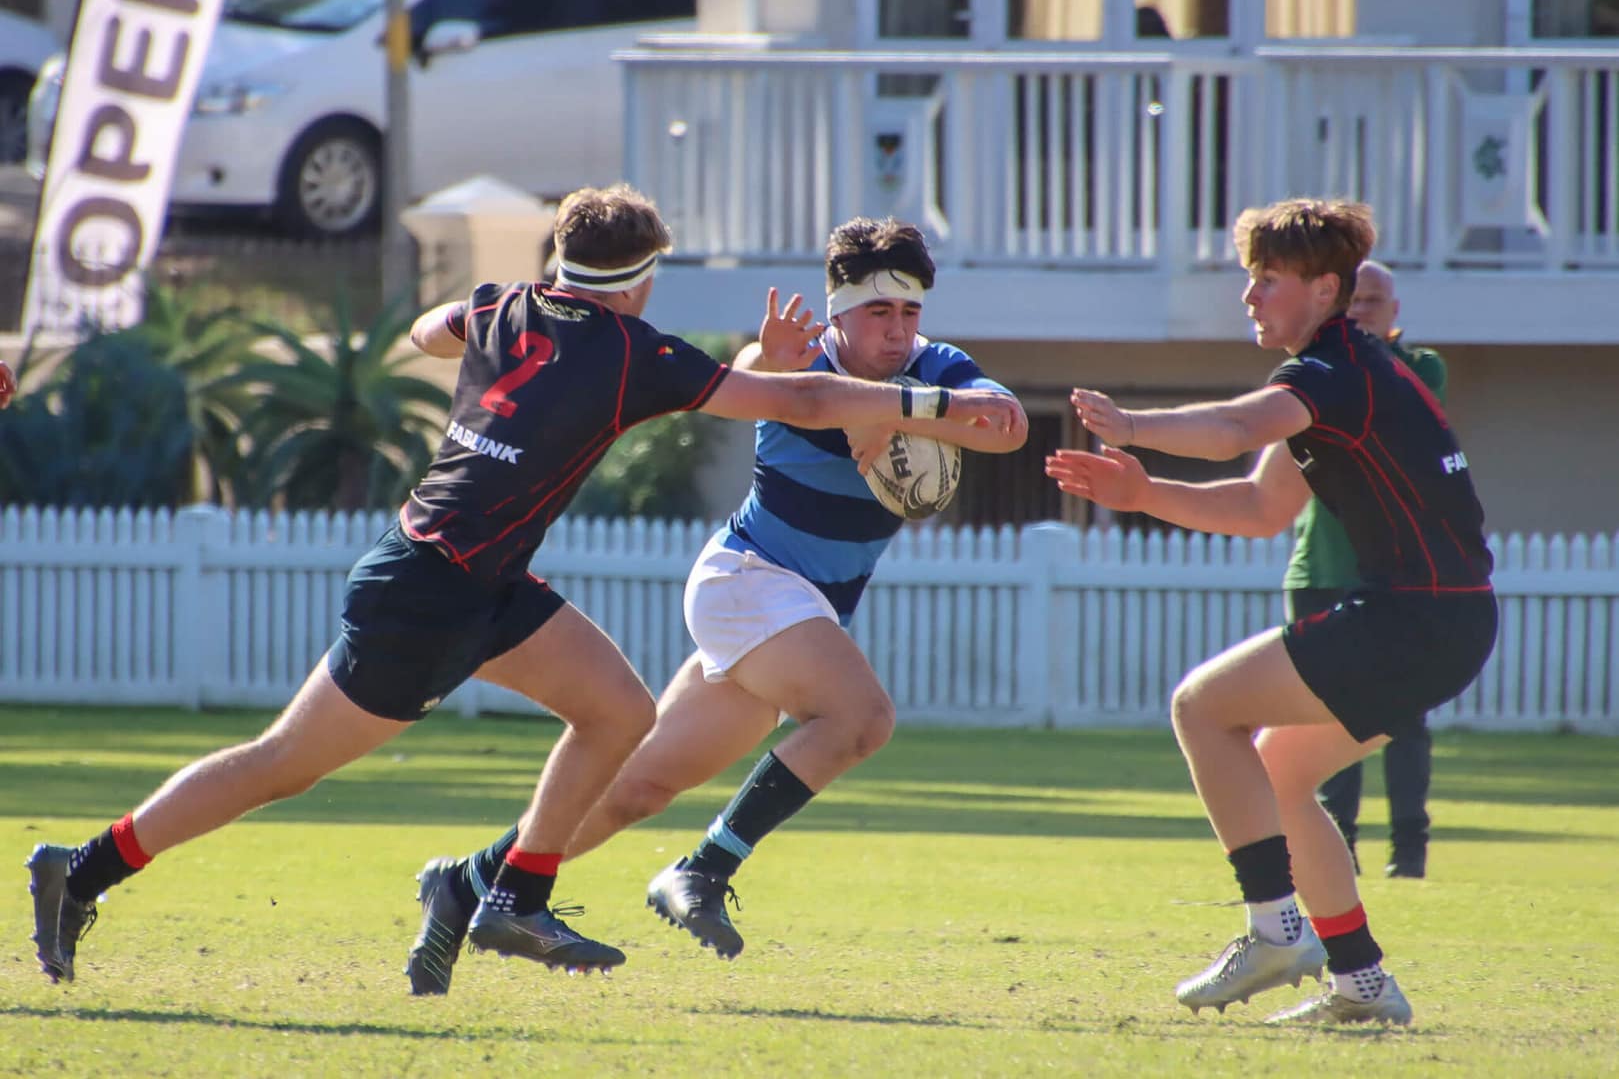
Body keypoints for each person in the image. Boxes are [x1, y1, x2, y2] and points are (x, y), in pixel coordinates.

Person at [25, 186, 1021, 987]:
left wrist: (481, 332)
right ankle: (86, 868)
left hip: (480, 576)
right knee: (281, 765)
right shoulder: (630, 351)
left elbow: (429, 332)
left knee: (618, 712)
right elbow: (796, 397)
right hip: (428, 591)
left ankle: (510, 897)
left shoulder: (503, 306)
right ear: (639, 283)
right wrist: (926, 405)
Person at [404, 216, 1029, 994]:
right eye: (878, 312)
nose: (897, 330)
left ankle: (465, 883)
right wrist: (829, 384)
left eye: (909, 312)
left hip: (794, 610)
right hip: (748, 583)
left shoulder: (935, 367)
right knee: (860, 718)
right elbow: (752, 374)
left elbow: (1007, 426)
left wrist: (897, 408)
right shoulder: (797, 361)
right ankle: (704, 867)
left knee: (634, 790)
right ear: (837, 310)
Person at [1045, 198, 1495, 1026]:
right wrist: (1142, 493)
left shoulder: (1329, 373)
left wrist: (1130, 424)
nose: (1248, 295)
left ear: (1323, 289)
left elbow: (1229, 428)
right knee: (1280, 777)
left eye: (1267, 279)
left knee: (1200, 706)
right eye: (1249, 278)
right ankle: (1361, 985)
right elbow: (1260, 508)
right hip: (1445, 623)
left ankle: (1273, 930)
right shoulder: (1344, 375)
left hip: (1414, 619)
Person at [1292, 259, 1448, 880]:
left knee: (1404, 716)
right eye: (1351, 300)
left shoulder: (1419, 368)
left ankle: (1409, 851)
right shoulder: (1312, 371)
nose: (1360, 310)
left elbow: (1393, 394)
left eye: (1373, 300)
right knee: (1328, 716)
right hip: (1323, 567)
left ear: (1395, 312)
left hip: (1397, 569)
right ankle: (1339, 850)